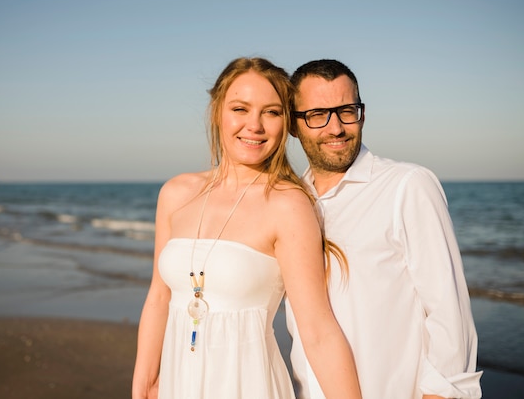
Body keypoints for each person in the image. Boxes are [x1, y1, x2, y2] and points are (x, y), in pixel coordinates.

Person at [132, 57, 361, 399]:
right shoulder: (176, 193)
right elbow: (158, 297)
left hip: (247, 384)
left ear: (287, 124)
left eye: (271, 112)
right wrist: (145, 383)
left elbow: (318, 329)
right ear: (217, 112)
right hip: (177, 384)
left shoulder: (288, 204)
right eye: (240, 108)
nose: (254, 125)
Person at [285, 58, 483, 399]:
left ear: (362, 113)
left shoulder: (408, 186)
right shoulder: (290, 203)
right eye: (318, 115)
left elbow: (449, 315)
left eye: (347, 111)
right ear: (293, 125)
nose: (336, 128)